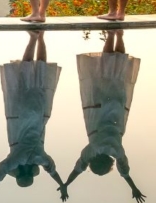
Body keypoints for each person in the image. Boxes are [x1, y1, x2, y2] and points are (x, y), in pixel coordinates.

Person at [0, 31, 66, 203]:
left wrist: (62, 184)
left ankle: (40, 37)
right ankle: (33, 38)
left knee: (40, 71)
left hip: (38, 111)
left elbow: (52, 171)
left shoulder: (40, 157)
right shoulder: (14, 160)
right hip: (19, 112)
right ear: (18, 173)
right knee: (23, 73)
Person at [62, 30, 146, 203]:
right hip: (100, 104)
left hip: (117, 105)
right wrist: (65, 184)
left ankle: (119, 35)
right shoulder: (91, 149)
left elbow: (125, 172)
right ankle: (111, 35)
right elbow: (79, 168)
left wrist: (134, 187)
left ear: (109, 164)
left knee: (119, 72)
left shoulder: (117, 151)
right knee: (105, 70)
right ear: (93, 161)